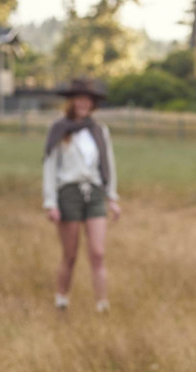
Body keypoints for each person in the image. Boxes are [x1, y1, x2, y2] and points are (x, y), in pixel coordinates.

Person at [42, 78, 121, 312]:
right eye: (79, 98)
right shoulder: (59, 129)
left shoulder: (99, 131)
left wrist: (112, 197)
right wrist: (50, 202)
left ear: (92, 103)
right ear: (72, 101)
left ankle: (102, 304)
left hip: (94, 193)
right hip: (68, 193)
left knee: (97, 252)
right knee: (70, 254)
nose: (83, 103)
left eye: (88, 99)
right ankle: (62, 301)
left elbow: (108, 165)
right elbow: (49, 167)